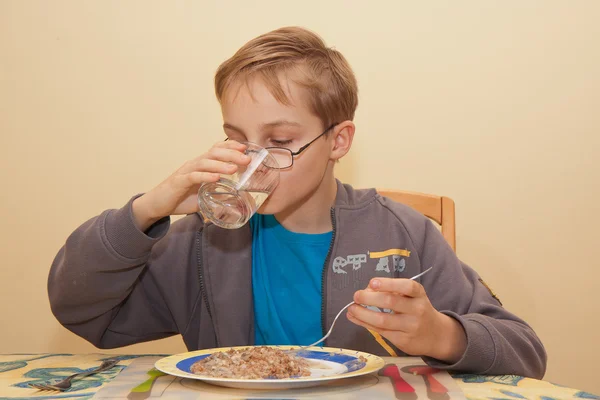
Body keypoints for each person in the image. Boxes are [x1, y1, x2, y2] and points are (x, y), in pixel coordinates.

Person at [48, 26, 546, 378]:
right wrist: (148, 209)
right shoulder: (201, 240)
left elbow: (525, 352)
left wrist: (442, 335)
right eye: (238, 139)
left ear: (338, 141)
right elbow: (85, 313)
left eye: (281, 141)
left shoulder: (401, 234)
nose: (254, 163)